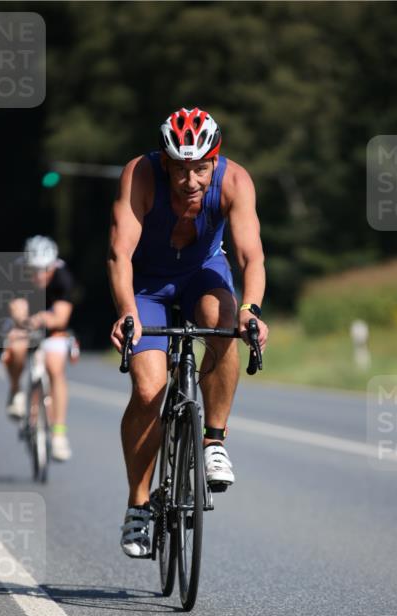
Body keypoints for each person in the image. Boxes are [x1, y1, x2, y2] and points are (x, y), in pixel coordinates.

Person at [108, 106, 268, 557]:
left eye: (200, 168)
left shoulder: (235, 182)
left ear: (215, 160)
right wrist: (126, 312)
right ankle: (138, 505)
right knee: (148, 389)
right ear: (164, 162)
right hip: (147, 284)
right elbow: (119, 254)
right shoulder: (140, 175)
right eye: (180, 168)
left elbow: (251, 256)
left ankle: (213, 440)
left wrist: (251, 311)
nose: (191, 180)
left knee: (223, 320)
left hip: (202, 273)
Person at [2, 236, 78, 461]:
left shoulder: (63, 277)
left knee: (55, 367)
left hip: (51, 323)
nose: (39, 275)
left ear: (53, 265)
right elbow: (15, 309)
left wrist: (43, 319)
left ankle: (59, 434)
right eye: (33, 270)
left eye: (44, 269)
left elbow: (61, 317)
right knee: (16, 348)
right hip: (24, 321)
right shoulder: (16, 273)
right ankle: (15, 391)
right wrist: (24, 322)